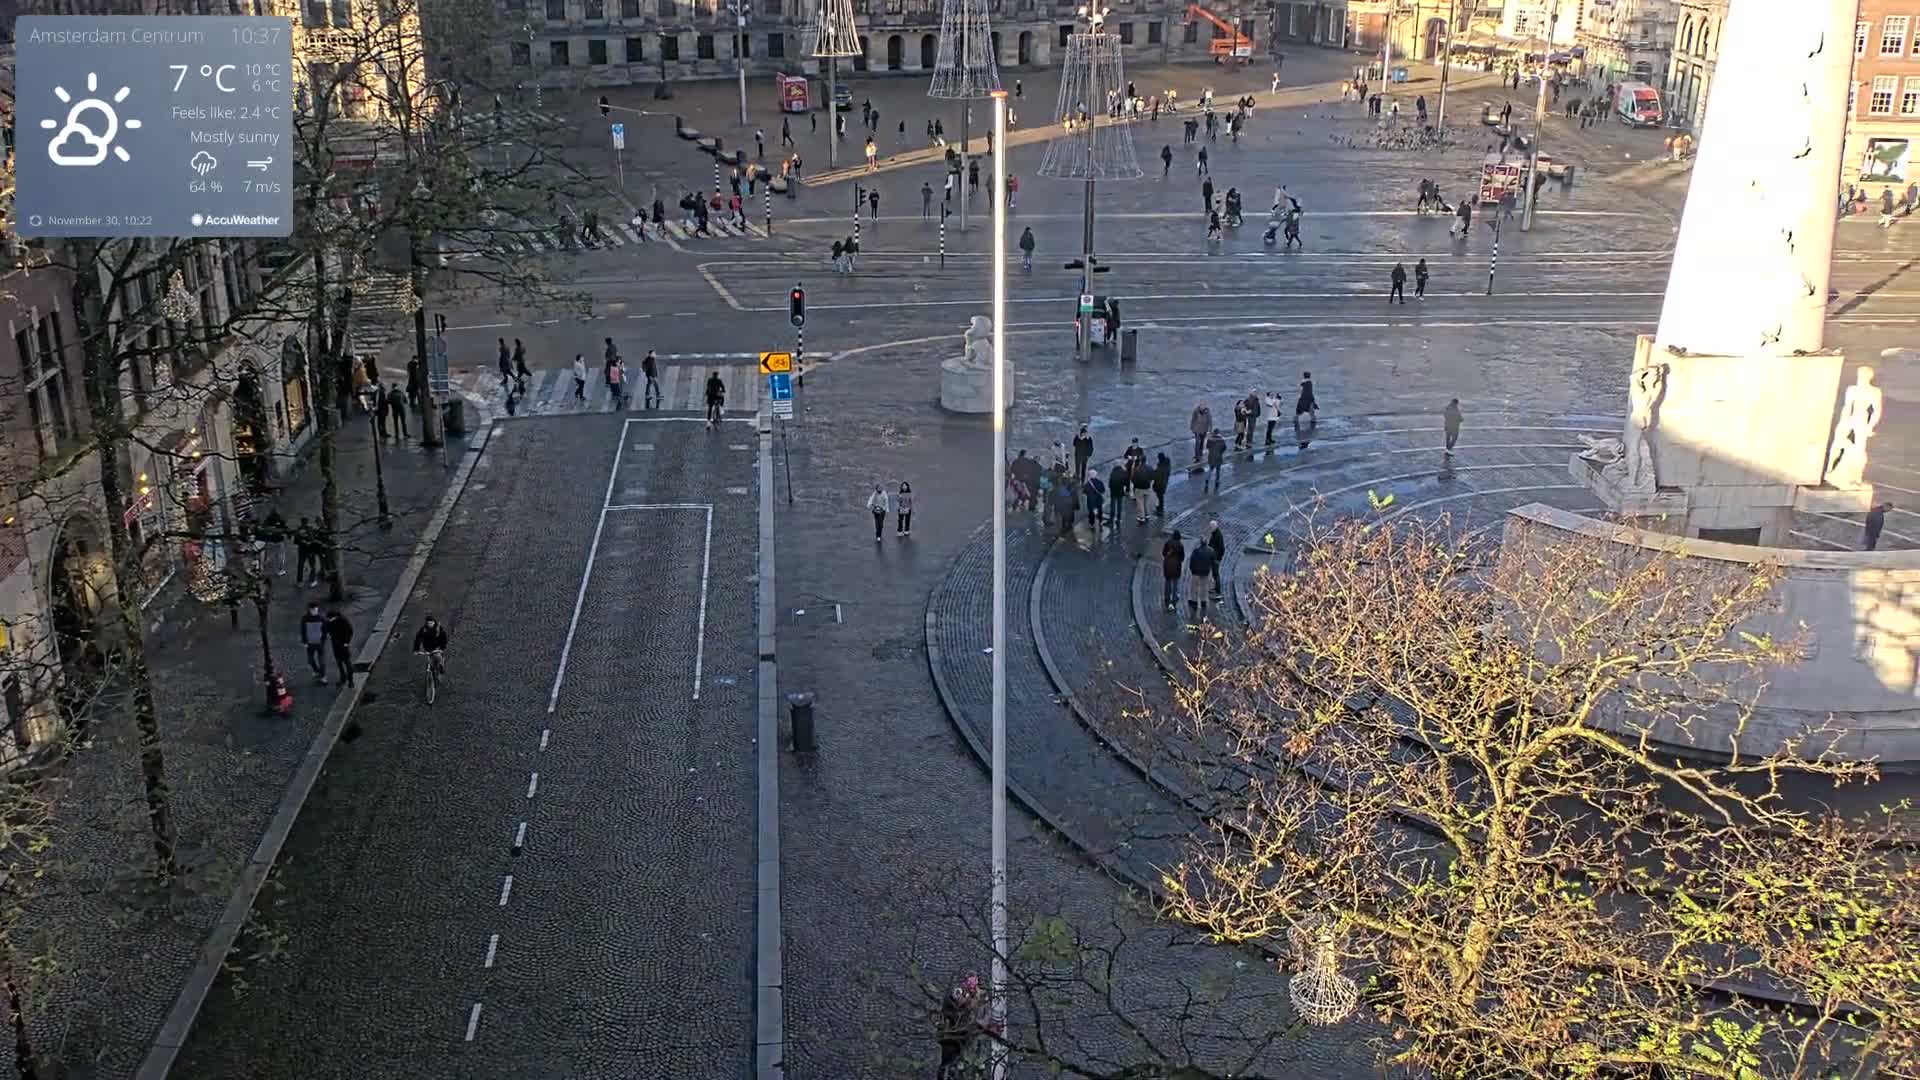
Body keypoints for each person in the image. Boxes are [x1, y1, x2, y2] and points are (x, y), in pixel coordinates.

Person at [324, 607, 355, 688]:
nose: (329, 620)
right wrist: (328, 634)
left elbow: (350, 631)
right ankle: (343, 677)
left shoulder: (343, 621)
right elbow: (326, 629)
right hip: (335, 645)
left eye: (330, 619)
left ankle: (351, 681)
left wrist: (346, 642)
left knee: (347, 664)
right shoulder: (329, 622)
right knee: (339, 663)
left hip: (343, 645)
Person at [299, 602, 328, 683]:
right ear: (310, 610)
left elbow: (325, 630)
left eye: (316, 609)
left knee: (321, 661)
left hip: (319, 643)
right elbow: (303, 631)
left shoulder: (321, 618)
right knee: (310, 660)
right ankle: (317, 671)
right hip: (310, 643)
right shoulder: (305, 618)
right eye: (313, 610)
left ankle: (323, 676)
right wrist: (304, 642)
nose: (315, 611)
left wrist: (323, 639)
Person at [1187, 539, 1216, 619]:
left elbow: (1192, 561)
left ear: (1200, 543)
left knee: (1194, 588)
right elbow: (1213, 561)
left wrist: (1192, 569)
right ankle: (1203, 601)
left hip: (1196, 572)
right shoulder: (1211, 551)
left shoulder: (1196, 551)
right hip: (1205, 572)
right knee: (1204, 587)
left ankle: (1194, 601)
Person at [1161, 531, 1186, 609]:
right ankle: (1174, 598)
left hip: (1167, 565)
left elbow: (1163, 553)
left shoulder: (1168, 543)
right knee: (1175, 583)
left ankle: (1166, 597)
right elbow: (1182, 557)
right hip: (1176, 566)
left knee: (1167, 582)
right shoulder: (1180, 545)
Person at [1206, 520, 1227, 597]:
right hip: (1213, 557)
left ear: (1214, 527)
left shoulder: (1218, 535)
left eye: (1211, 527)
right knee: (1214, 574)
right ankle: (1216, 588)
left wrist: (1218, 558)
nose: (1210, 528)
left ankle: (1218, 590)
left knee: (1216, 574)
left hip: (1216, 558)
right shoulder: (1215, 534)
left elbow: (1221, 548)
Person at [1151, 451, 1171, 516]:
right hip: (1164, 483)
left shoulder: (1161, 468)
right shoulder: (1166, 465)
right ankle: (1160, 508)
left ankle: (1160, 510)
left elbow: (1155, 476)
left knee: (1160, 497)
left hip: (1160, 485)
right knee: (1160, 497)